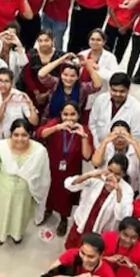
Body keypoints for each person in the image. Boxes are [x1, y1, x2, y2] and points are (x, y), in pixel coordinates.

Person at [0, 119, 51, 245]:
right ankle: (1, 234)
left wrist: (39, 193)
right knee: (2, 213)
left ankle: (17, 234)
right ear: (11, 134)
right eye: (16, 135)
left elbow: (44, 174)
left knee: (21, 215)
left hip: (25, 191)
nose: (20, 139)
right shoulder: (1, 146)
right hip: (4, 188)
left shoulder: (39, 151)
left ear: (30, 135)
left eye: (24, 135)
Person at [36, 101, 93, 236]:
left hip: (71, 170)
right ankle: (48, 211)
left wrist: (84, 137)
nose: (69, 118)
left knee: (66, 195)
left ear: (78, 115)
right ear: (60, 114)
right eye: (65, 114)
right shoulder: (55, 123)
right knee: (49, 190)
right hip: (52, 167)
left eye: (73, 114)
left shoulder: (84, 129)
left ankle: (63, 219)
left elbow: (87, 156)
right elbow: (40, 134)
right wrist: (57, 127)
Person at [63, 156, 134, 249]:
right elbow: (69, 185)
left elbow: (122, 216)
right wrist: (88, 175)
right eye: (110, 170)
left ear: (123, 174)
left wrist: (118, 192)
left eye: (117, 174)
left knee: (89, 255)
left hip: (100, 232)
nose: (111, 176)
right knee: (72, 251)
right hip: (82, 222)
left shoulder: (126, 190)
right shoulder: (97, 177)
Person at [91, 121, 140, 197]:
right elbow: (96, 163)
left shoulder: (136, 149)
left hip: (132, 192)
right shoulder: (106, 148)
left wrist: (133, 142)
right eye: (116, 135)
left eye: (123, 136)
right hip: (108, 192)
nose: (119, 140)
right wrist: (105, 141)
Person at [38, 51, 102, 121]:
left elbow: (97, 85)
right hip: (50, 120)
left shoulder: (82, 88)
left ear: (77, 77)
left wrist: (87, 65)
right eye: (65, 75)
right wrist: (60, 60)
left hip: (72, 123)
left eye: (72, 76)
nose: (68, 79)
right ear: (61, 75)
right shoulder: (55, 83)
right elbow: (41, 74)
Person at [89, 73, 140, 148]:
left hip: (121, 152)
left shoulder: (137, 108)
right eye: (114, 90)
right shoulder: (100, 100)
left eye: (122, 91)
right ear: (110, 88)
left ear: (128, 90)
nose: (118, 94)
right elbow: (92, 124)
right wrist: (98, 146)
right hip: (98, 146)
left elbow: (135, 136)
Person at [0, 69, 40, 144]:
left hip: (15, 139)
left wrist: (30, 104)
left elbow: (34, 122)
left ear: (12, 83)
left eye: (6, 81)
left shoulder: (19, 95)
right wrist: (5, 103)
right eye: (0, 80)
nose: (3, 84)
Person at [77, 29, 119, 120]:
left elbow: (114, 77)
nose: (95, 42)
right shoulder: (82, 54)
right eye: (92, 39)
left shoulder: (110, 58)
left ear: (104, 42)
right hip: (81, 92)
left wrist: (97, 68)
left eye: (98, 40)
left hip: (98, 94)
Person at [18, 29, 63, 112]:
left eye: (46, 40)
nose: (43, 44)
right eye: (40, 41)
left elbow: (62, 76)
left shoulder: (61, 56)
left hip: (54, 92)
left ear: (53, 41)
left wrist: (47, 94)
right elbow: (27, 75)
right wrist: (37, 93)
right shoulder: (31, 54)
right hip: (33, 92)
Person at [104, 0, 140, 64]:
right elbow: (111, 10)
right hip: (113, 25)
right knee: (107, 49)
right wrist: (119, 26)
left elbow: (137, 13)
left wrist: (127, 26)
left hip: (127, 28)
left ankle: (115, 69)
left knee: (120, 51)